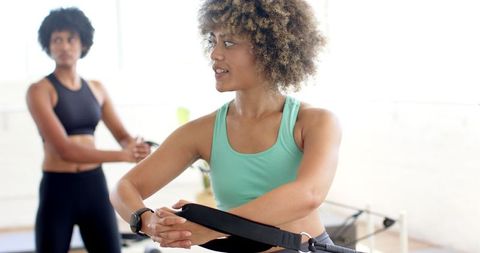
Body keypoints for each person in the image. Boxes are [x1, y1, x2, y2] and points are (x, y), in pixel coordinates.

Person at [110, 0, 341, 252]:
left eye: (229, 43)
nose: (215, 54)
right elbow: (124, 187)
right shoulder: (202, 132)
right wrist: (146, 220)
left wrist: (212, 226)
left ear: (268, 49)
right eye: (213, 41)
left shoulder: (314, 122)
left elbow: (308, 194)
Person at [26, 7, 151, 253]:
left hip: (93, 188)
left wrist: (133, 146)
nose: (64, 46)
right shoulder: (39, 90)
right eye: (57, 40)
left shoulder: (97, 89)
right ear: (48, 45)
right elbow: (64, 150)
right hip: (57, 190)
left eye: (70, 39)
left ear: (82, 43)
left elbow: (123, 136)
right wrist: (123, 156)